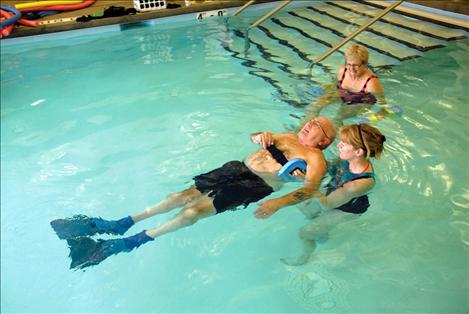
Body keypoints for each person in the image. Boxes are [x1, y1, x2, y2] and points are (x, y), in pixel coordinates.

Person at [51, 117, 336, 270]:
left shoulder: (316, 159)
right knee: (179, 197)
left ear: (324, 140)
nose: (310, 123)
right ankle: (122, 223)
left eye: (317, 126)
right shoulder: (287, 137)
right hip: (235, 168)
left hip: (255, 185)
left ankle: (130, 242)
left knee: (192, 212)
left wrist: (277, 202)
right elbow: (254, 135)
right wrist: (258, 137)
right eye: (311, 120)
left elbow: (309, 190)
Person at [281, 123, 385, 266]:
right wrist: (307, 166)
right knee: (302, 205)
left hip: (346, 208)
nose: (338, 146)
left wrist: (308, 181)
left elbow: (328, 204)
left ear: (358, 152)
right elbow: (329, 169)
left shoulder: (361, 183)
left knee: (305, 232)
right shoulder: (346, 158)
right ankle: (321, 231)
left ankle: (304, 258)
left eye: (344, 144)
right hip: (334, 191)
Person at [303, 44, 387, 127]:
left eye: (356, 65)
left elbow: (383, 104)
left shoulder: (371, 82)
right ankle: (302, 129)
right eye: (349, 64)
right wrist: (326, 94)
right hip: (342, 93)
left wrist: (374, 118)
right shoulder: (343, 71)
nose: (351, 69)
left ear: (365, 64)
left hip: (359, 101)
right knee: (314, 106)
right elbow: (334, 86)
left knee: (337, 119)